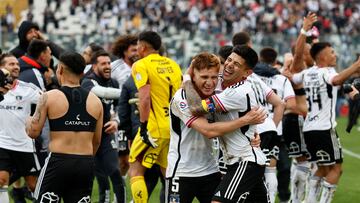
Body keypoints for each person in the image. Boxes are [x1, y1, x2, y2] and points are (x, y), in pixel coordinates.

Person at [167, 52, 266, 203]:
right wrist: (244, 121)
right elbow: (208, 130)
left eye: (214, 77)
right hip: (181, 172)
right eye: (204, 77)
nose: (210, 83)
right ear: (193, 76)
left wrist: (252, 132)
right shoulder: (182, 98)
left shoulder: (216, 96)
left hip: (210, 170)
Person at [26, 51, 103, 202]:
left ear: (60, 69)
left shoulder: (50, 96)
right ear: (82, 72)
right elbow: (97, 141)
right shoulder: (96, 101)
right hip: (85, 162)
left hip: (58, 162)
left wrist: (28, 120)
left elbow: (33, 132)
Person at [289, 42, 360, 203]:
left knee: (322, 168)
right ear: (322, 56)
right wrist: (355, 65)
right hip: (325, 129)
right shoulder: (327, 72)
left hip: (309, 129)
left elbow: (293, 77)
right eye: (332, 52)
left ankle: (310, 200)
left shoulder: (307, 73)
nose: (335, 55)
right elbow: (335, 80)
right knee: (336, 169)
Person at [128, 31, 182, 203]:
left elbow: (144, 97)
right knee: (168, 175)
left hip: (154, 127)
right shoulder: (174, 65)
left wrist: (143, 126)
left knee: (135, 171)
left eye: (137, 47)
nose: (137, 51)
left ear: (142, 47)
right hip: (173, 127)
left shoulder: (141, 65)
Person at [81, 50, 125, 203]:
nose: (107, 66)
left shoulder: (113, 82)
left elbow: (121, 107)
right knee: (97, 175)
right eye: (103, 64)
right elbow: (102, 92)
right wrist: (128, 91)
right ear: (94, 66)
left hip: (106, 133)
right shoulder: (88, 81)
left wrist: (116, 121)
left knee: (114, 170)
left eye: (109, 63)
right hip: (88, 135)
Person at [0, 53, 42, 203]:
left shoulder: (27, 88)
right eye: (11, 64)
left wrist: (37, 118)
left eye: (17, 64)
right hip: (3, 143)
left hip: (24, 145)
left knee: (33, 185)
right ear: (1, 68)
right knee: (2, 180)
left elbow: (47, 100)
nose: (16, 66)